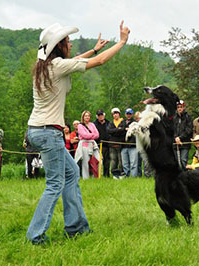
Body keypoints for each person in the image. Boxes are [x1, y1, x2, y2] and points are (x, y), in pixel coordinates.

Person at [26, 21, 130, 244]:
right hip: (48, 132)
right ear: (59, 46)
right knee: (55, 184)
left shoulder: (46, 66)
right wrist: (121, 42)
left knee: (72, 173)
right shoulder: (58, 66)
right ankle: (35, 236)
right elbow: (98, 62)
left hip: (38, 130)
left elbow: (77, 60)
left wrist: (94, 49)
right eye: (67, 41)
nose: (70, 44)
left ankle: (76, 228)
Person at [75, 111, 100, 179]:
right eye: (85, 116)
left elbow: (97, 135)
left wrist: (90, 136)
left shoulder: (92, 124)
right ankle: (86, 178)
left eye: (88, 116)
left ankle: (96, 176)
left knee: (99, 159)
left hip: (93, 144)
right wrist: (92, 135)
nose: (87, 117)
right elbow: (84, 135)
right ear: (83, 117)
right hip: (84, 144)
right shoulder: (80, 125)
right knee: (85, 162)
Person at [107, 107, 126, 179]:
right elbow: (108, 131)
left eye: (116, 113)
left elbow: (123, 130)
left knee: (121, 160)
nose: (115, 115)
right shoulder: (110, 123)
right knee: (113, 160)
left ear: (119, 114)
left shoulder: (123, 122)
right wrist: (118, 129)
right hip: (112, 145)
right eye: (114, 114)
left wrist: (114, 131)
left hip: (121, 144)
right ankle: (115, 174)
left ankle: (121, 174)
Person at [173, 100, 193, 169]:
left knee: (183, 160)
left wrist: (180, 138)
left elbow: (189, 130)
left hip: (185, 143)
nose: (179, 108)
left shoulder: (188, 117)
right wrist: (176, 138)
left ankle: (185, 175)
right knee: (176, 161)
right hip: (175, 143)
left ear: (183, 107)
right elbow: (171, 129)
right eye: (178, 107)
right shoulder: (174, 117)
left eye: (181, 107)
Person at [121, 108, 138, 177]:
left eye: (130, 114)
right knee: (125, 164)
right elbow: (118, 131)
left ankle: (134, 177)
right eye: (127, 114)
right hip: (123, 146)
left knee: (133, 164)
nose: (128, 115)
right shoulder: (122, 122)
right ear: (125, 114)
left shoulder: (135, 123)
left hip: (133, 146)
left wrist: (126, 130)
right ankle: (126, 177)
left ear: (132, 114)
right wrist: (124, 129)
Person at [94, 109, 110, 177]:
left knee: (107, 161)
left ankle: (106, 175)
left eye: (101, 114)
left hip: (108, 144)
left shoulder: (108, 123)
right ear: (97, 116)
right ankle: (98, 175)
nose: (101, 116)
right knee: (99, 160)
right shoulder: (94, 124)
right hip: (98, 145)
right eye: (99, 115)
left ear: (104, 115)